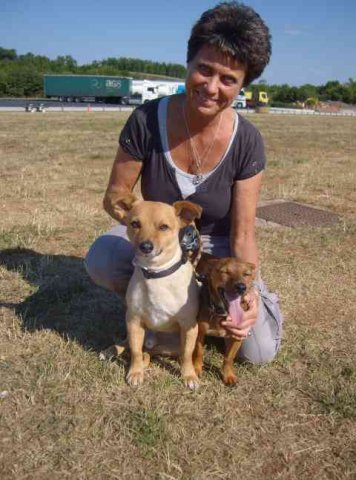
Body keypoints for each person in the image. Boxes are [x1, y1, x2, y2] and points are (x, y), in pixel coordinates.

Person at [85, 1, 283, 364]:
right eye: (203, 70)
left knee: (258, 352)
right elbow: (115, 195)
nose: (211, 87)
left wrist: (247, 294)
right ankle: (151, 310)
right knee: (102, 258)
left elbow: (243, 235)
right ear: (188, 63)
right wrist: (145, 227)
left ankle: (257, 306)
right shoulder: (146, 120)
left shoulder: (247, 140)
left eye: (228, 80)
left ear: (243, 85)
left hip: (217, 251)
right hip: (157, 235)